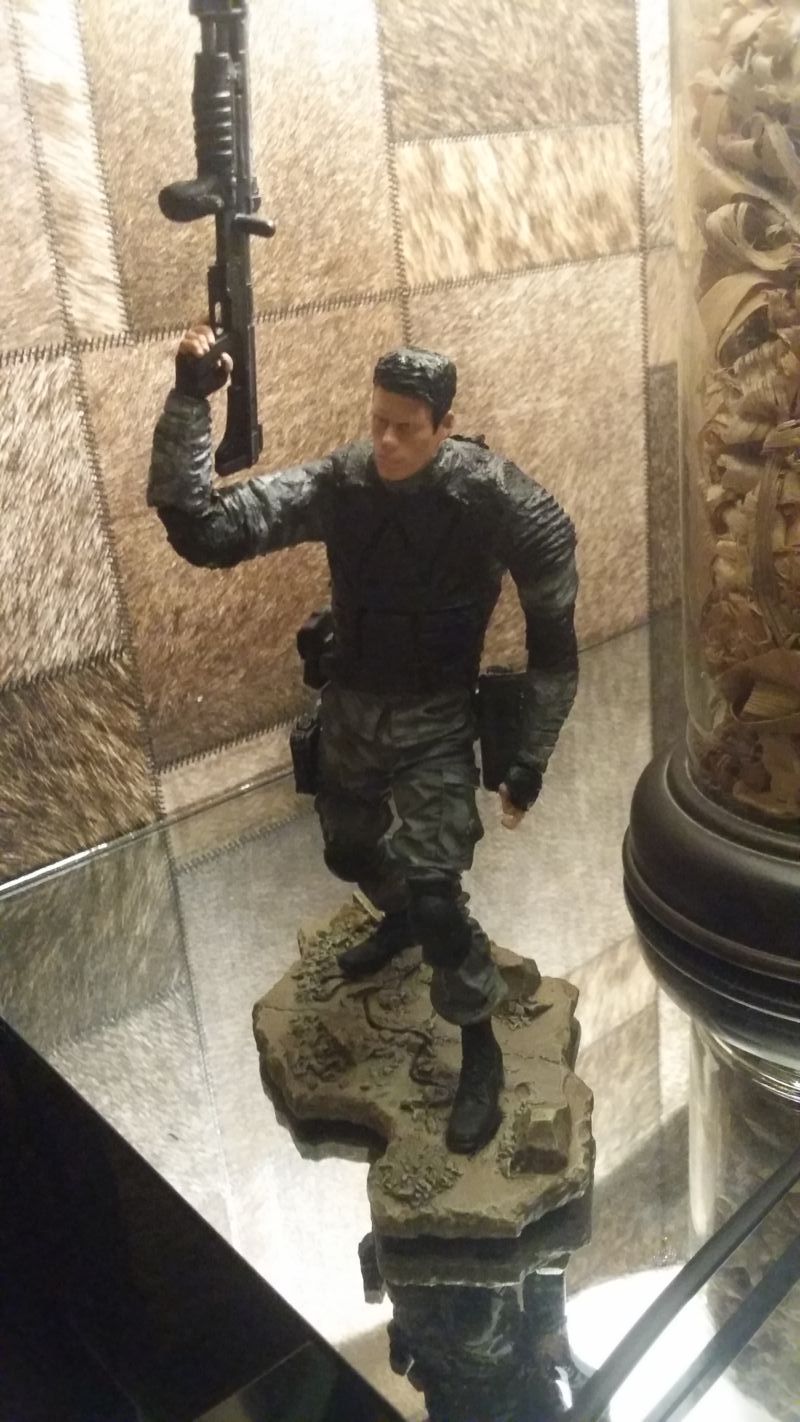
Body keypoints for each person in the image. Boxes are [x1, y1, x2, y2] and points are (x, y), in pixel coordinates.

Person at [148, 329, 579, 1155]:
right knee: (348, 851)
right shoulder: (342, 484)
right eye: (377, 420)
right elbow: (204, 532)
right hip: (351, 708)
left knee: (441, 899)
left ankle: (479, 1041)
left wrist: (531, 757)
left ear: (444, 426)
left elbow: (555, 644)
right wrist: (190, 398)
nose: (385, 441)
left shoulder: (498, 502)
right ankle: (403, 917)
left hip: (436, 719)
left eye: (406, 428)